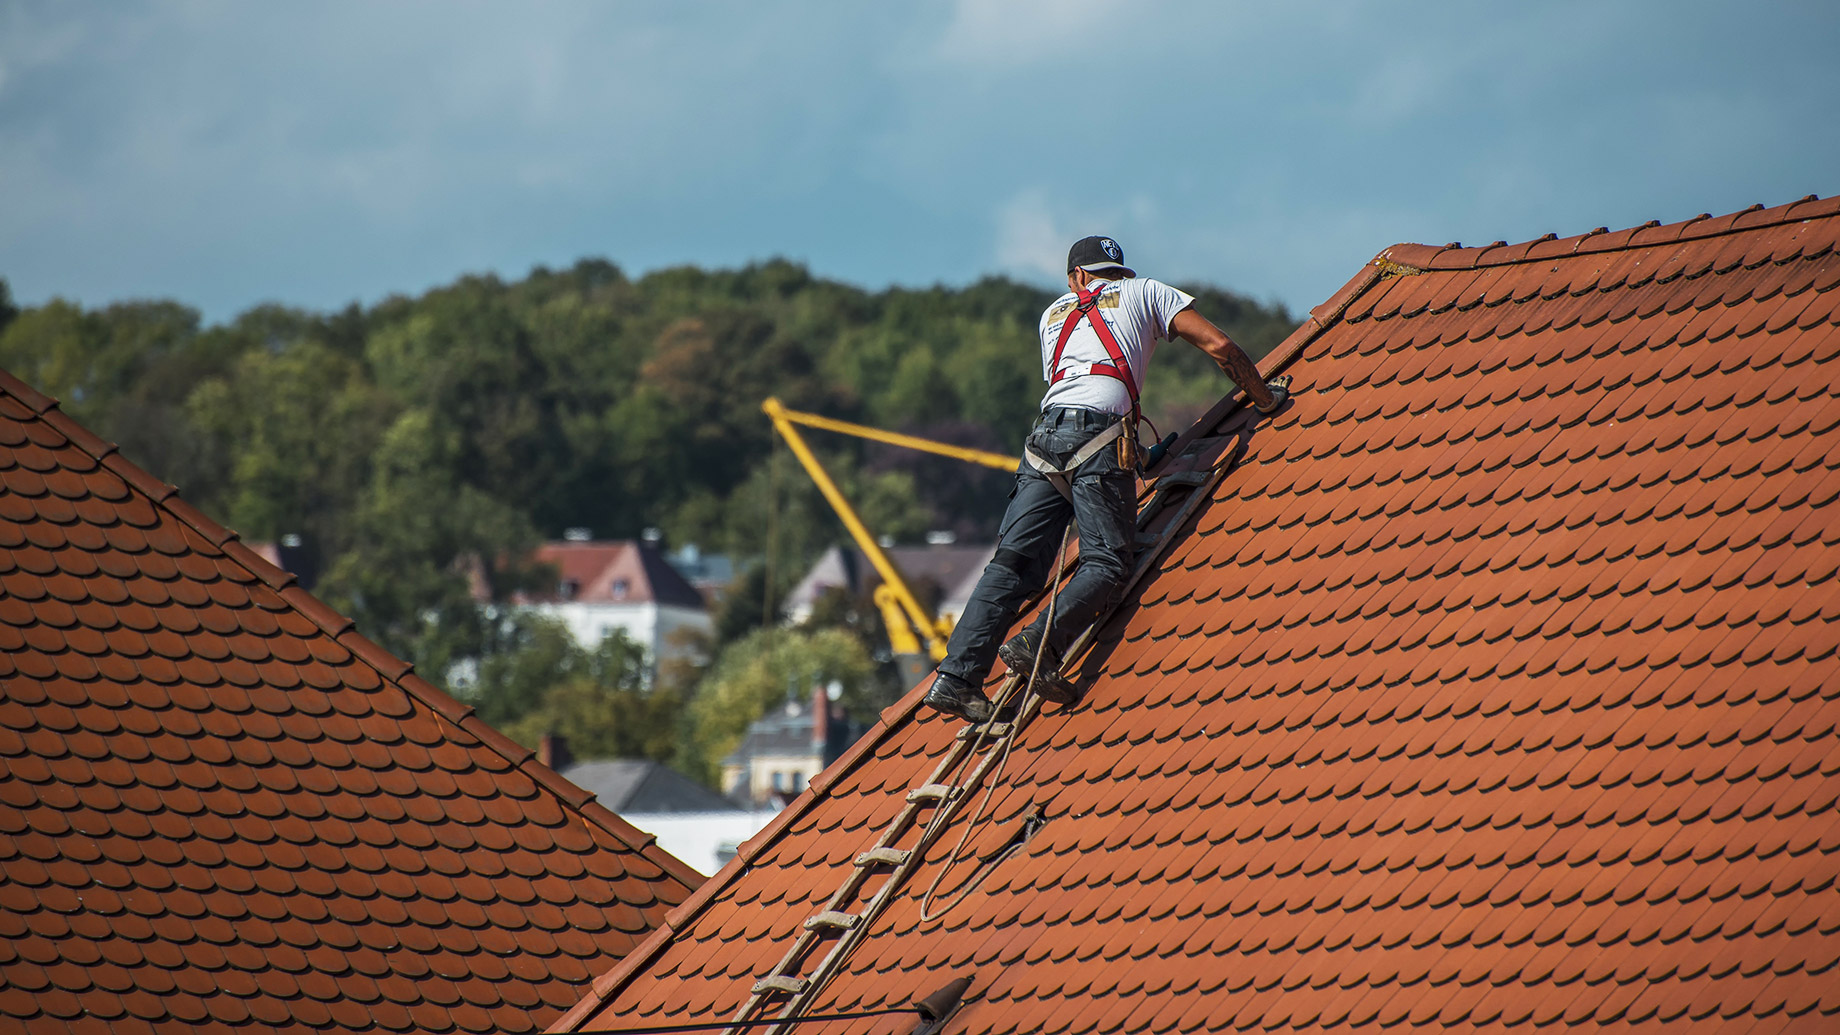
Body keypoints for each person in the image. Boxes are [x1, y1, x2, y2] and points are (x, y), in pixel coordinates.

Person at [922, 235, 1288, 723]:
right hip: (1099, 437)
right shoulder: (1147, 292)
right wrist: (1264, 398)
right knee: (1108, 564)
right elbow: (1219, 346)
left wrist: (1130, 455)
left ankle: (956, 678)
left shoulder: (1052, 315)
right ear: (1113, 273)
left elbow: (1079, 383)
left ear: (1076, 277)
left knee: (1012, 565)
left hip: (1043, 442)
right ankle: (1038, 645)